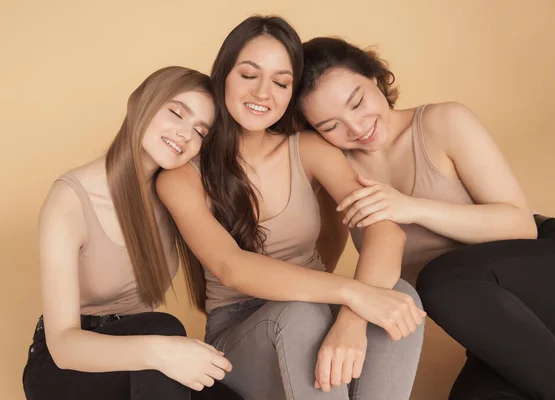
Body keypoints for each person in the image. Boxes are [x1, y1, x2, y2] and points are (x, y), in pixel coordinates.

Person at [296, 36, 555, 399]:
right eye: (330, 126)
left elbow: (521, 227)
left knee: (443, 276)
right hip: (509, 319)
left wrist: (412, 207)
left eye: (357, 102)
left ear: (375, 76)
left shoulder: (441, 122)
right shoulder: (338, 172)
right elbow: (322, 261)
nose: (355, 127)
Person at [158, 16, 426, 400]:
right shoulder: (182, 175)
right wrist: (352, 294)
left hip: (324, 306)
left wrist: (352, 317)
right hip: (240, 328)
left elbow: (385, 230)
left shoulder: (309, 149)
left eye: (281, 83)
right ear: (224, 77)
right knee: (302, 313)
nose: (264, 93)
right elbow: (230, 266)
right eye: (249, 75)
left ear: (291, 94)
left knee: (401, 297)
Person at [22, 66, 242, 400]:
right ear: (139, 103)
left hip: (140, 359)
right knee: (163, 329)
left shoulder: (175, 196)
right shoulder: (70, 199)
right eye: (176, 113)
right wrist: (161, 350)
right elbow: (63, 345)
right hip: (64, 367)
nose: (186, 134)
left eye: (200, 131)